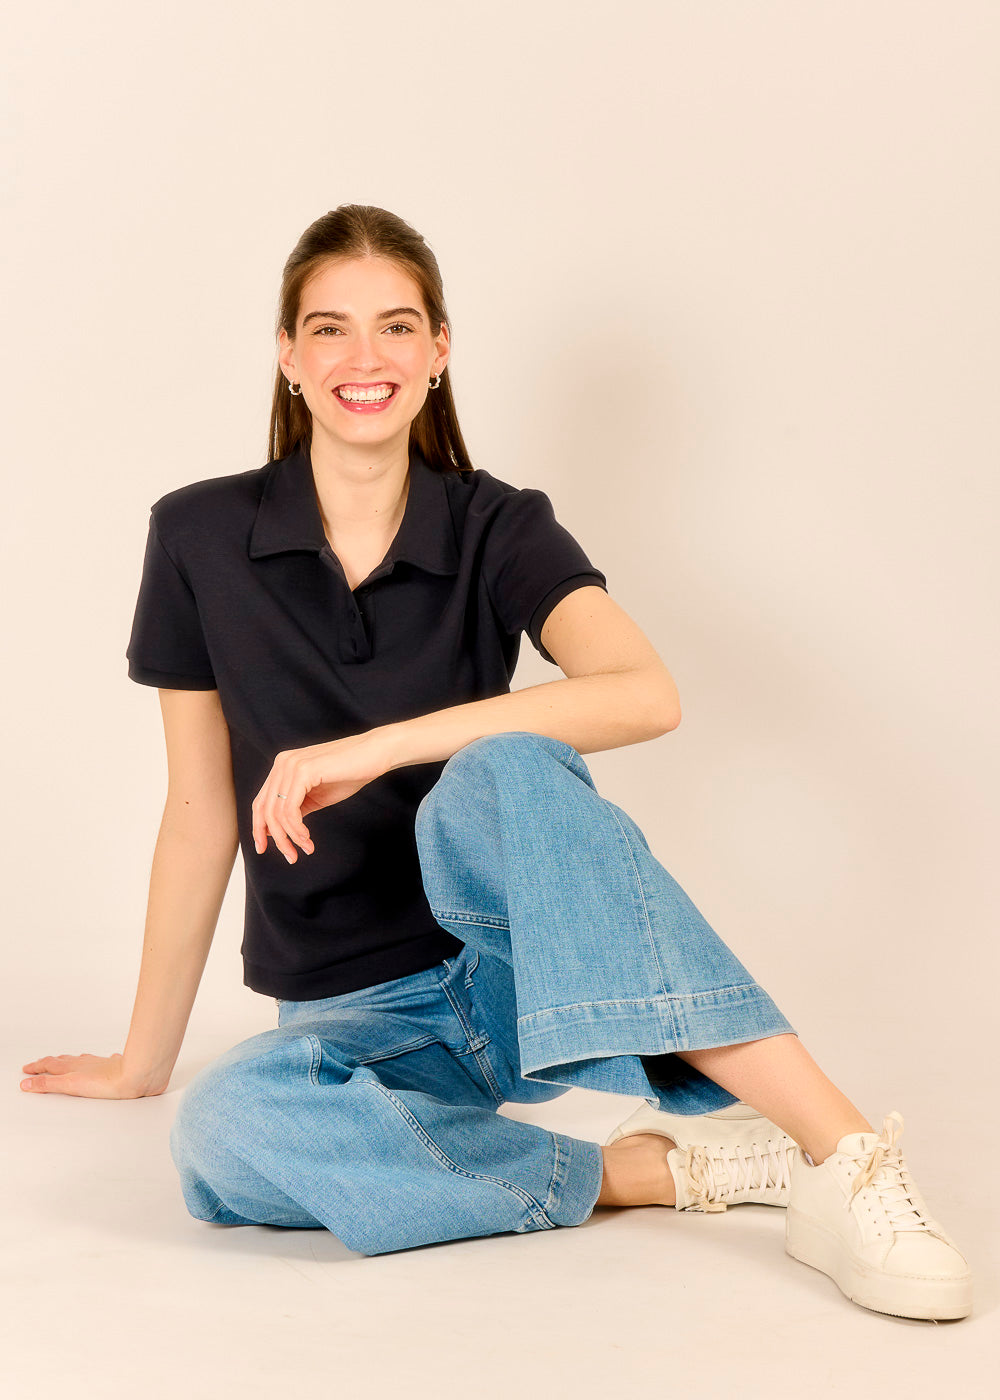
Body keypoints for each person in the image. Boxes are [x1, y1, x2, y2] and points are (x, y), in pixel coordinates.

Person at [20, 204, 971, 1321]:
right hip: (357, 1017)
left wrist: (382, 746)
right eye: (329, 328)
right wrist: (143, 1058)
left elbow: (646, 693)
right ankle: (660, 1170)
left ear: (438, 350)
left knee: (508, 764)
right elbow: (197, 806)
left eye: (395, 326)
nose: (364, 357)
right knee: (224, 1132)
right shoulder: (196, 535)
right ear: (287, 355)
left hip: (522, 978)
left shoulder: (498, 524)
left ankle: (843, 1156)